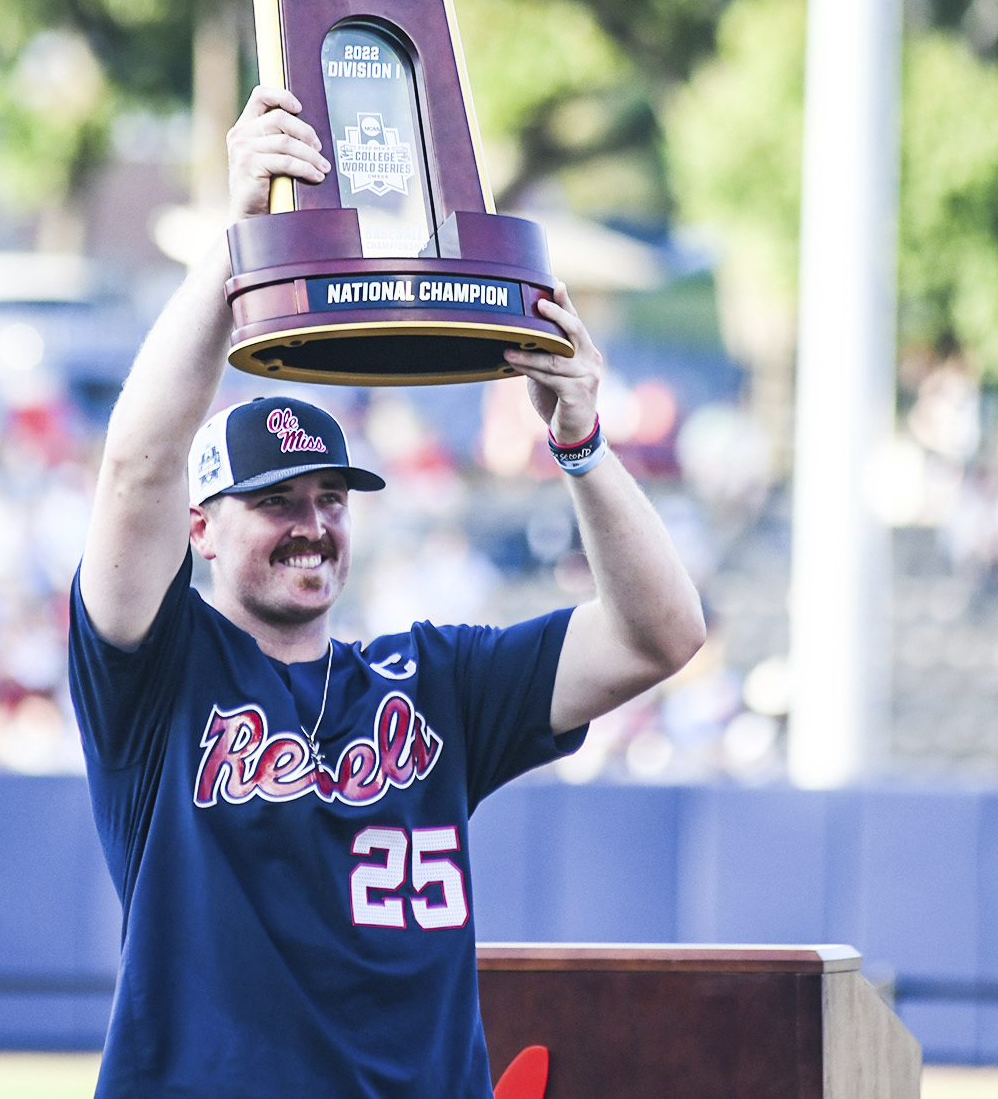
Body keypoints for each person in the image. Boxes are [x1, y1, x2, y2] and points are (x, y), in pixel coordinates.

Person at [70, 86, 707, 1097]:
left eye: (330, 497)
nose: (312, 523)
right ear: (202, 526)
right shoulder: (158, 673)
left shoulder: (436, 681)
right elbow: (138, 464)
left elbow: (661, 635)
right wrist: (234, 244)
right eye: (275, 501)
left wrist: (580, 441)